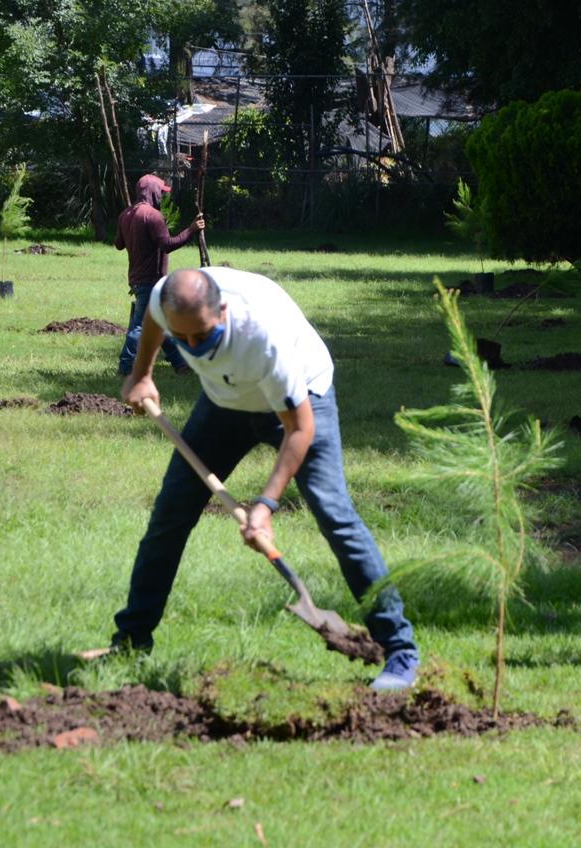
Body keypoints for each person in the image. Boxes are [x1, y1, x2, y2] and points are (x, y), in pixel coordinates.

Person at [114, 267, 420, 691]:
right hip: (225, 403)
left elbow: (300, 430)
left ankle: (400, 651)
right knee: (169, 516)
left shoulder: (263, 338)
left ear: (222, 311)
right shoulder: (169, 299)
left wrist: (266, 505)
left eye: (202, 335)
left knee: (335, 515)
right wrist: (143, 374)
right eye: (181, 338)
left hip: (302, 401)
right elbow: (153, 315)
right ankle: (130, 643)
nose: (193, 347)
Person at [115, 173, 206, 376]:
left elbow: (118, 244)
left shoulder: (126, 215)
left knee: (161, 322)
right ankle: (126, 366)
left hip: (136, 279)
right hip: (151, 280)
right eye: (161, 192)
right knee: (140, 326)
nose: (162, 197)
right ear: (152, 192)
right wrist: (191, 230)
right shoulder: (153, 216)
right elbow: (167, 245)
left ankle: (180, 363)